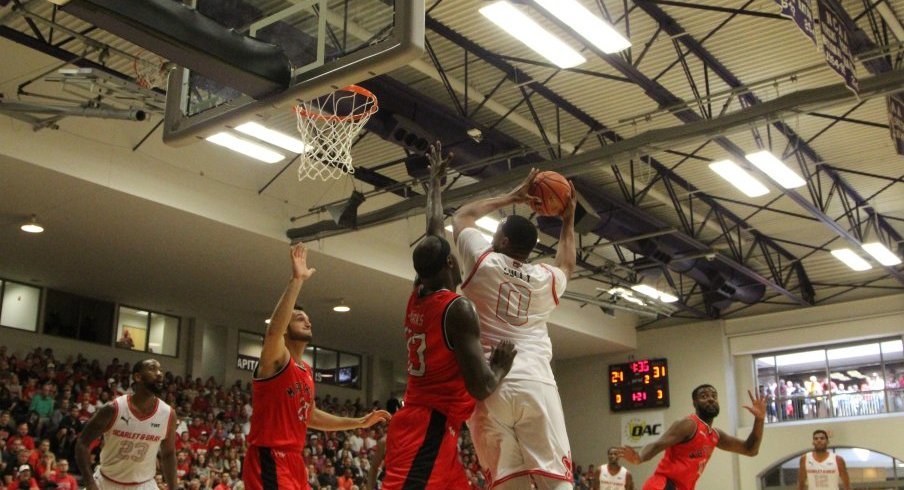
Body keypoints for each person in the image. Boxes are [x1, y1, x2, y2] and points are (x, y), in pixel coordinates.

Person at [382, 143, 517, 489]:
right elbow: (482, 384)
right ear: (450, 263)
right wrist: (501, 364)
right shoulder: (457, 309)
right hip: (427, 427)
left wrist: (435, 185)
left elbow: (433, 229)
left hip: (427, 423)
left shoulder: (419, 291)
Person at [452, 168, 577, 489]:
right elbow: (566, 264)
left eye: (495, 236)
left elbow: (463, 216)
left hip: (489, 385)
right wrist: (568, 220)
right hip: (535, 384)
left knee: (509, 485)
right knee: (557, 483)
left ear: (502, 240)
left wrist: (513, 196)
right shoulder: (543, 278)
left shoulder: (482, 262)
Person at [242, 243, 391, 490]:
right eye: (299, 318)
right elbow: (273, 333)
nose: (307, 321)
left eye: (308, 319)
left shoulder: (307, 372)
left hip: (294, 460)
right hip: (269, 457)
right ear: (286, 328)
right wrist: (296, 280)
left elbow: (309, 415)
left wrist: (359, 422)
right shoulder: (276, 359)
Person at [621, 384, 766, 490]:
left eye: (714, 396)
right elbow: (658, 444)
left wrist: (759, 420)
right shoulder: (689, 425)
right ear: (694, 403)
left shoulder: (716, 435)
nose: (710, 399)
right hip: (663, 486)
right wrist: (639, 457)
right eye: (704, 396)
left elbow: (751, 449)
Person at [74, 359, 178, 490]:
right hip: (106, 482)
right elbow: (82, 443)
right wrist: (89, 483)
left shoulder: (168, 414)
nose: (159, 374)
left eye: (160, 370)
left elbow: (168, 454)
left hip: (144, 485)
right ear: (138, 377)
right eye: (152, 369)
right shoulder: (113, 409)